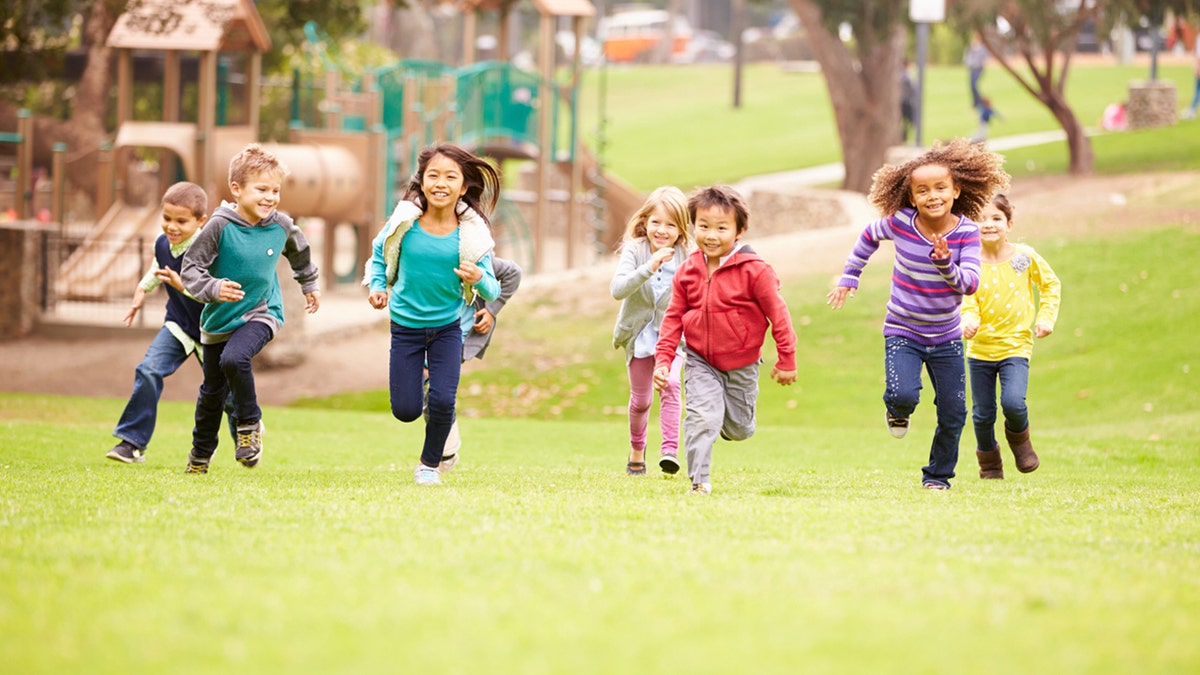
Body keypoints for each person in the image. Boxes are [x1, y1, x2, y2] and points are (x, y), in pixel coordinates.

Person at [826, 138, 1009, 490]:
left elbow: (969, 284)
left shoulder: (967, 234)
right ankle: (896, 409)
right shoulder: (900, 223)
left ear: (956, 190)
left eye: (941, 188)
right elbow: (868, 235)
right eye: (922, 190)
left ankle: (938, 477)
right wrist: (851, 274)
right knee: (903, 395)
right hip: (902, 330)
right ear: (911, 197)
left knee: (954, 413)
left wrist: (945, 266)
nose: (932, 196)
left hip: (947, 337)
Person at [365, 142, 502, 486]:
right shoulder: (404, 223)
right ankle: (432, 412)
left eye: (450, 177)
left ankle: (430, 464)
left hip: (448, 328)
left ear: (464, 185)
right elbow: (380, 255)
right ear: (422, 181)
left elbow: (494, 290)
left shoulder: (471, 234)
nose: (441, 183)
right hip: (406, 328)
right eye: (433, 175)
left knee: (443, 401)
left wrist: (479, 278)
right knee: (406, 410)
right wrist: (378, 286)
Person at [181, 143, 321, 474]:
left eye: (275, 190)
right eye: (262, 189)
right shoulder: (219, 226)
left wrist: (309, 284)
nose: (270, 197)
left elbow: (299, 251)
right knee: (212, 394)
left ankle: (249, 426)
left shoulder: (281, 225)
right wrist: (214, 288)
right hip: (218, 320)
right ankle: (200, 455)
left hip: (263, 312)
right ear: (237, 189)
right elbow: (191, 270)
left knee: (235, 358)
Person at [653, 186, 797, 495]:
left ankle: (727, 422)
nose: (711, 235)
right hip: (699, 360)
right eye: (703, 226)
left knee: (740, 429)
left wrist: (787, 359)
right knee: (702, 417)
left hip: (742, 363)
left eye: (721, 228)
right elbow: (672, 319)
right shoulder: (687, 271)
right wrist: (664, 361)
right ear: (693, 227)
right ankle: (699, 482)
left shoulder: (755, 271)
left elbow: (779, 315)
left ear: (739, 230)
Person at [106, 182, 209, 464]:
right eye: (167, 218)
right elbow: (157, 268)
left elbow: (215, 292)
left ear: (201, 221)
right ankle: (131, 443)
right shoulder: (163, 243)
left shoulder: (208, 249)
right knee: (148, 370)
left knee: (225, 397)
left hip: (212, 332)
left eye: (181, 221)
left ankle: (247, 439)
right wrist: (141, 291)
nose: (171, 227)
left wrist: (183, 285)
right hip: (178, 326)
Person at [961, 193, 1060, 479]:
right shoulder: (970, 263)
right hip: (979, 351)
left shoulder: (1024, 257)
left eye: (996, 218)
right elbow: (966, 299)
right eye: (980, 219)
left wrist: (1045, 318)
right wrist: (968, 321)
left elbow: (1051, 284)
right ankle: (989, 463)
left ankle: (1021, 442)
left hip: (1015, 347)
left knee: (1013, 403)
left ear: (1009, 224)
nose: (988, 224)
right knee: (982, 414)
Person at [611, 186, 694, 477]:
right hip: (637, 335)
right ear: (645, 220)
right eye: (656, 222)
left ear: (681, 229)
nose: (662, 230)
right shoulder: (635, 250)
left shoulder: (687, 256)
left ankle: (669, 452)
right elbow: (617, 290)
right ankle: (637, 448)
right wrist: (649, 266)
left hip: (673, 337)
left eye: (671, 224)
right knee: (642, 400)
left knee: (671, 384)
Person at [435, 255, 523, 473]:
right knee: (420, 397)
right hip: (422, 329)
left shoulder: (469, 254)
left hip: (459, 333)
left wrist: (492, 310)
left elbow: (513, 273)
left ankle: (443, 452)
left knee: (436, 392)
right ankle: (446, 447)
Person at [964, 34, 988, 108]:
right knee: (971, 85)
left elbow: (985, 58)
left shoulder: (982, 48)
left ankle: (979, 101)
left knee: (974, 84)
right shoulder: (970, 48)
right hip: (972, 68)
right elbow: (967, 57)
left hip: (979, 68)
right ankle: (976, 101)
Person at [900, 58, 916, 144]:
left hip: (902, 101)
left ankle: (903, 137)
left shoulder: (899, 74)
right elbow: (913, 88)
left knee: (904, 121)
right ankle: (904, 137)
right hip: (905, 101)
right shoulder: (906, 76)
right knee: (911, 119)